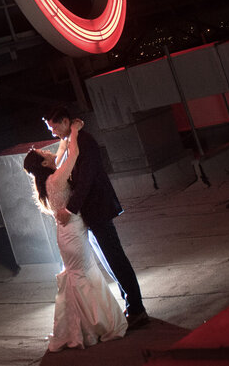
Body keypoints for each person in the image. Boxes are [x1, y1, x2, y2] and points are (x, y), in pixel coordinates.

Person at [24, 119, 127, 351]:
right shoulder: (57, 178)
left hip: (67, 235)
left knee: (77, 278)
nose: (49, 151)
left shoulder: (47, 183)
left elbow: (62, 151)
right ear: (42, 161)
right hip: (74, 234)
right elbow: (73, 153)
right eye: (44, 152)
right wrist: (74, 130)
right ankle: (96, 324)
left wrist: (65, 136)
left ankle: (79, 327)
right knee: (84, 278)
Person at [43, 104, 148, 329]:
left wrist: (70, 209)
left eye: (54, 128)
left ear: (64, 122)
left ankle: (137, 308)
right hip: (89, 213)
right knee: (109, 260)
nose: (53, 133)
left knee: (115, 258)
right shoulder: (71, 140)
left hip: (98, 207)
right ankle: (131, 305)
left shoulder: (85, 141)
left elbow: (86, 180)